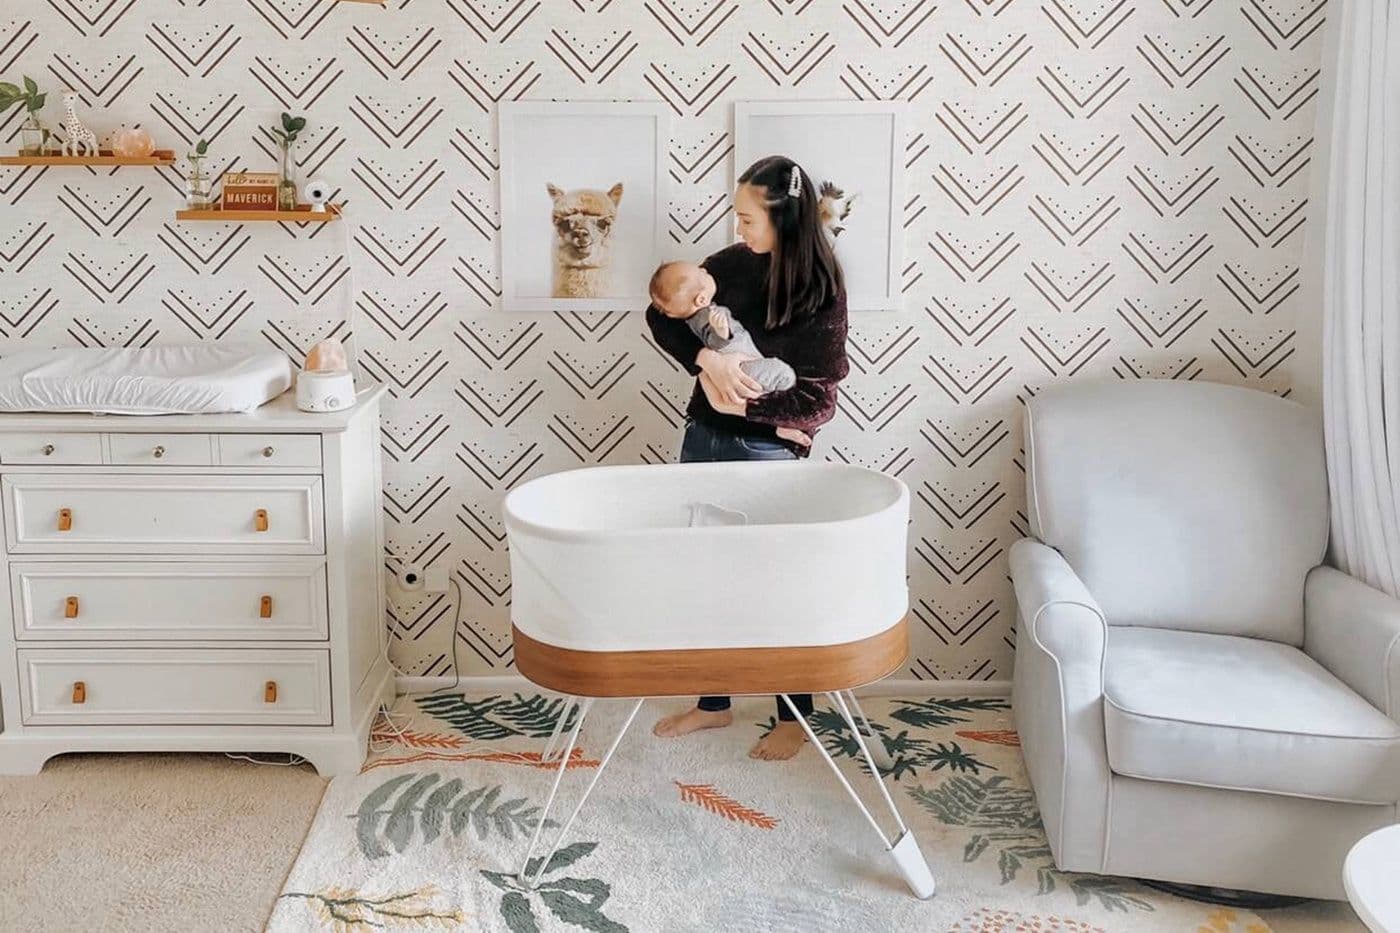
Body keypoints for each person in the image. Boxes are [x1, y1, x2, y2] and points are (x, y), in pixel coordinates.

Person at [644, 154, 849, 761]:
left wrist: (745, 407)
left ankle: (794, 716)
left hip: (765, 454)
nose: (738, 228)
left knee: (776, 585)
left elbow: (818, 398)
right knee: (706, 578)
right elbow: (661, 314)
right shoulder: (729, 266)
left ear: (783, 218)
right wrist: (706, 360)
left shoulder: (822, 288)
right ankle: (714, 704)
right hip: (701, 439)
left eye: (747, 217)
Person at [647, 259, 797, 394]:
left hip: (745, 363)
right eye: (701, 273)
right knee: (783, 374)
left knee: (773, 375)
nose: (704, 269)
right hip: (741, 369)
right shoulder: (703, 319)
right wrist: (720, 333)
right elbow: (714, 344)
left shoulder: (700, 314)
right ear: (701, 299)